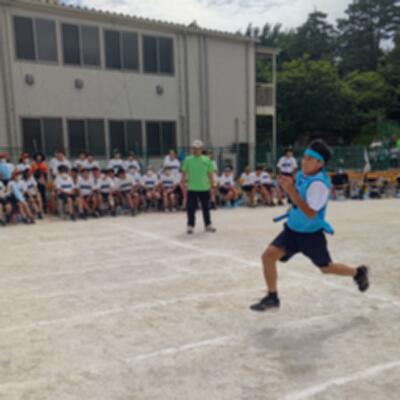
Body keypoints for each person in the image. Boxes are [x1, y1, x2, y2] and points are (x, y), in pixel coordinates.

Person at [250, 139, 370, 312]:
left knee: (326, 268)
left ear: (320, 163)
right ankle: (272, 297)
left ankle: (358, 273)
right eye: (304, 157)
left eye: (309, 159)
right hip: (292, 230)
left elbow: (311, 213)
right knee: (268, 256)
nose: (304, 161)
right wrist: (290, 196)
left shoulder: (319, 184)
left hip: (311, 235)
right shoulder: (301, 175)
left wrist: (290, 191)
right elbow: (299, 198)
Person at [181, 140, 216, 234]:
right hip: (192, 188)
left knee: (206, 208)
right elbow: (184, 173)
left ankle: (208, 225)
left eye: (197, 148)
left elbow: (210, 174)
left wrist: (212, 185)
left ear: (201, 149)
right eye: (194, 148)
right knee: (191, 208)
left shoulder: (207, 160)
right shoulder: (188, 160)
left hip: (204, 188)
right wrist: (183, 184)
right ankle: (190, 226)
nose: (195, 150)